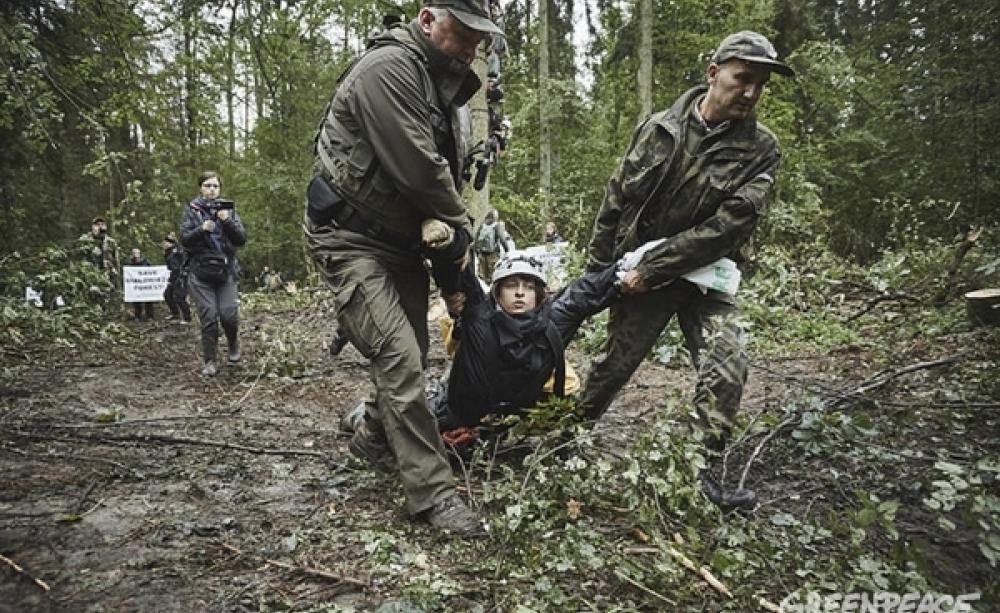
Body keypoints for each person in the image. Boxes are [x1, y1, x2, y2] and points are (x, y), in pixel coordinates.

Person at [304, 1, 501, 536]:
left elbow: (439, 188)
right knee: (400, 357)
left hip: (400, 241)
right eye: (462, 33)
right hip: (349, 237)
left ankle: (372, 439)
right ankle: (433, 494)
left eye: (478, 39)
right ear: (427, 19)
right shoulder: (388, 69)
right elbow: (422, 173)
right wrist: (461, 235)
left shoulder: (442, 84)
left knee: (409, 349)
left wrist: (453, 277)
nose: (471, 47)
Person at [579, 31, 795, 511]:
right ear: (713, 73)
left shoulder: (761, 148)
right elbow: (616, 199)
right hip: (641, 278)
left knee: (728, 363)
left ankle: (699, 475)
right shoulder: (659, 128)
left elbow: (728, 228)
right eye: (742, 78)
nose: (751, 92)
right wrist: (597, 273)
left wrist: (654, 268)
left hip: (706, 277)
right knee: (612, 368)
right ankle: (561, 445)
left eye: (760, 84)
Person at [180, 171, 247, 377]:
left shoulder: (228, 210)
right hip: (200, 271)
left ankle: (233, 343)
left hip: (226, 270)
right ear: (200, 188)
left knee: (228, 313)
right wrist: (201, 229)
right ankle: (210, 361)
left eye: (215, 186)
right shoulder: (192, 210)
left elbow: (241, 239)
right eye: (207, 186)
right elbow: (184, 239)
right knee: (208, 316)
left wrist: (227, 221)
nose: (211, 190)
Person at [79, 216, 120, 306]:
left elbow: (116, 260)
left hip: (106, 273)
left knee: (105, 297)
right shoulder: (85, 239)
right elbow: (79, 257)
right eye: (97, 224)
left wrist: (115, 272)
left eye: (102, 224)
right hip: (90, 273)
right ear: (92, 226)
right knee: (91, 296)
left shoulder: (110, 242)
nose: (100, 226)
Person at [474, 209, 512, 282]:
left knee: (481, 276)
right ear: (495, 217)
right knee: (493, 275)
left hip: (482, 254)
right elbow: (502, 239)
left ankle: (482, 288)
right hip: (493, 254)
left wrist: (477, 252)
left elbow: (476, 239)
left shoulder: (482, 225)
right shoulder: (496, 226)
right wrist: (507, 251)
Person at [162, 234, 191, 323]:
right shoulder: (168, 252)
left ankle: (187, 318)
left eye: (166, 243)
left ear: (170, 243)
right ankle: (175, 313)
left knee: (179, 297)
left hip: (181, 276)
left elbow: (184, 259)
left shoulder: (178, 250)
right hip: (173, 276)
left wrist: (175, 240)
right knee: (167, 294)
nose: (164, 244)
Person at [126, 248, 155, 321]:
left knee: (148, 300)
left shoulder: (145, 261)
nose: (135, 254)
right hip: (136, 284)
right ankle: (138, 315)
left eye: (137, 253)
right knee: (136, 301)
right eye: (134, 253)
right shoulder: (130, 262)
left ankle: (150, 316)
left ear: (139, 253)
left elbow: (151, 270)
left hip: (145, 284)